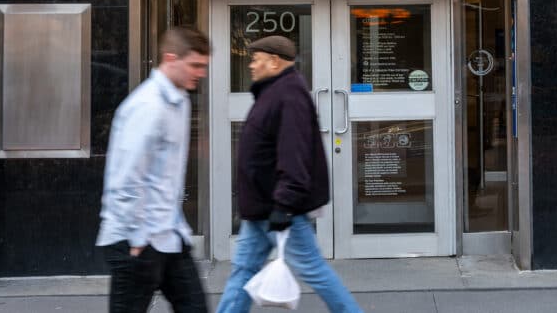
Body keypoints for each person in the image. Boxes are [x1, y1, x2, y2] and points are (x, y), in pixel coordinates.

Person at [216, 35, 361, 313]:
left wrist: (284, 204)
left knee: (313, 270)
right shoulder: (274, 92)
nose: (251, 66)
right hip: (261, 208)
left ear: (274, 61)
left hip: (278, 207)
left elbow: (295, 154)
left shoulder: (289, 95)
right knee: (243, 272)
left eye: (256, 59)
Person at [96, 26, 211, 313]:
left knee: (195, 307)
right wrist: (137, 240)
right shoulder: (147, 106)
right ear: (171, 59)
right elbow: (126, 177)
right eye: (195, 65)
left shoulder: (179, 100)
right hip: (137, 239)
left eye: (204, 66)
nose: (201, 73)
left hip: (168, 234)